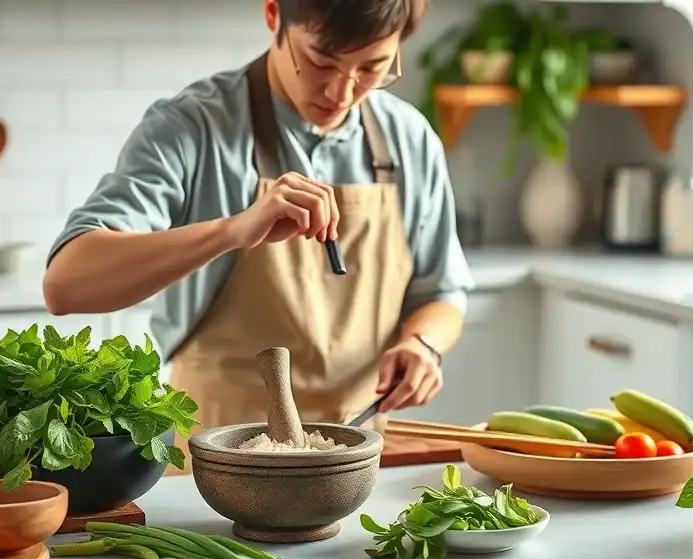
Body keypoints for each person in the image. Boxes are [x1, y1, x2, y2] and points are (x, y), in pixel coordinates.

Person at [42, 0, 474, 469]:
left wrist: (422, 344)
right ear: (273, 15)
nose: (342, 91)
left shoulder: (410, 137)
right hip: (212, 466)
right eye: (320, 61)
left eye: (373, 68)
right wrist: (231, 230)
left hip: (355, 461)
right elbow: (66, 284)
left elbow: (443, 293)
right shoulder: (192, 127)